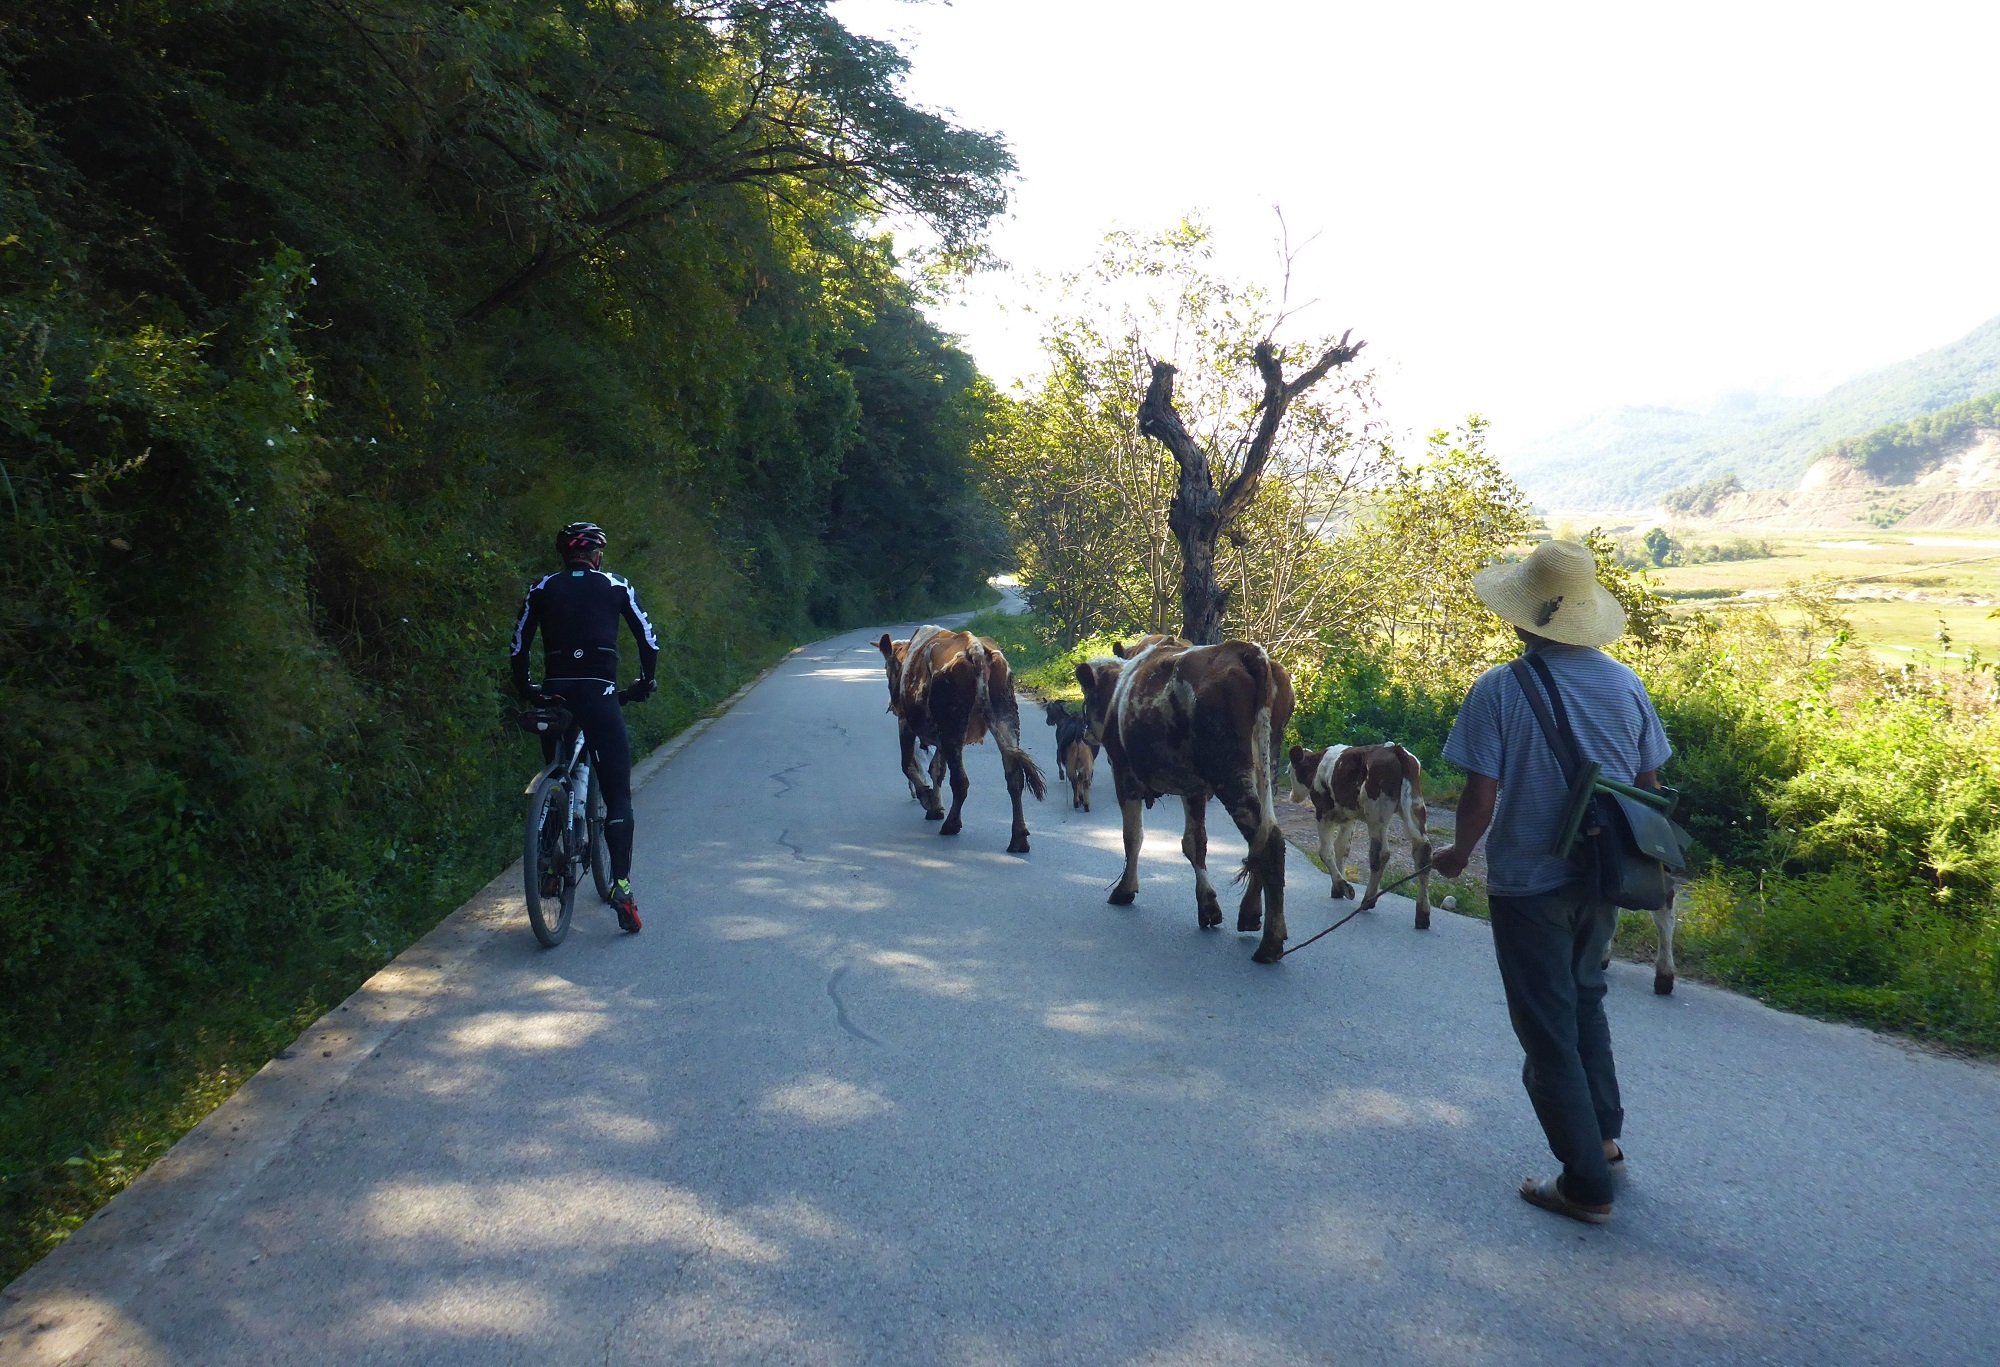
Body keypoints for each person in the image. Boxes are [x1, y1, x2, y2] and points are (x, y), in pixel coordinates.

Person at [1429, 539, 1671, 1225]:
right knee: (1587, 1000)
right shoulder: (1627, 685)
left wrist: (1457, 854)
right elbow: (1649, 788)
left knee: (1546, 1030)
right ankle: (1605, 1140)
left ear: (1524, 617)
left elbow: (1480, 799)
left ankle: (1585, 1183)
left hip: (1529, 886)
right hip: (1603, 878)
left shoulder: (1500, 689)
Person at [510, 521, 660, 932]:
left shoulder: (542, 587)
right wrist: (645, 682)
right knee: (617, 796)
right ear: (597, 556)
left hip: (556, 694)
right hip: (601, 694)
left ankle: (551, 858)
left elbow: (519, 644)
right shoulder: (614, 585)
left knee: (559, 763)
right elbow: (648, 641)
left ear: (564, 555)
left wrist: (529, 690)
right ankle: (622, 889)